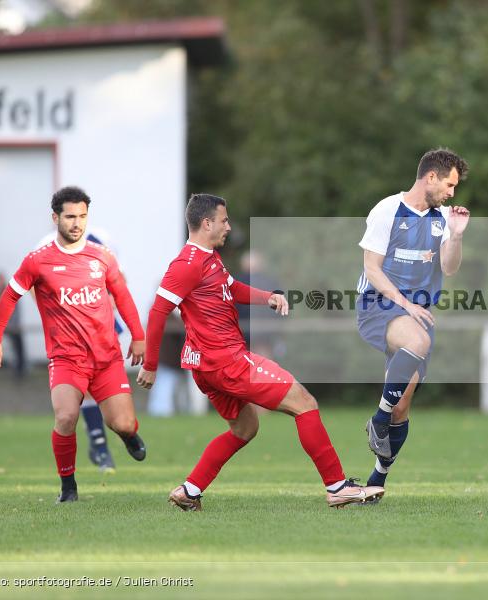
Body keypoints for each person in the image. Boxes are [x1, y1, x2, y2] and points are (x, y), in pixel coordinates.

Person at [137, 194, 384, 510]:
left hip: (208, 366)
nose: (228, 226)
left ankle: (190, 490)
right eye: (224, 220)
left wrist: (267, 296)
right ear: (206, 223)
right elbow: (158, 312)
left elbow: (232, 288)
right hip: (227, 361)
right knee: (304, 403)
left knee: (245, 428)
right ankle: (337, 487)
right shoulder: (187, 265)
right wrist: (151, 363)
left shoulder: (208, 259)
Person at [0, 186, 148, 503]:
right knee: (66, 417)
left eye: (82, 216)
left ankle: (127, 435)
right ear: (55, 217)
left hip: (107, 358)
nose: (77, 223)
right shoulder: (38, 261)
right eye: (70, 216)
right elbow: (10, 295)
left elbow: (122, 296)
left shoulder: (102, 257)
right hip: (66, 359)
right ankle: (68, 487)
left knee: (123, 422)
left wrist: (138, 335)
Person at [358, 148, 470, 496]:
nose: (453, 193)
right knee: (417, 343)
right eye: (449, 184)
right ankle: (377, 420)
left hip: (417, 313)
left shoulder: (442, 218)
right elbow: (371, 268)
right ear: (431, 177)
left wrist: (456, 234)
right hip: (379, 305)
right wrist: (405, 303)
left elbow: (449, 268)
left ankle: (377, 481)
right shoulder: (387, 210)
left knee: (402, 404)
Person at [34, 228, 124, 473]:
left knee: (107, 389)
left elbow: (117, 279)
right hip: (68, 331)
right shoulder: (45, 245)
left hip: (102, 327)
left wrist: (106, 312)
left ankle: (107, 439)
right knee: (80, 389)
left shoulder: (102, 240)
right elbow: (33, 286)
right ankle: (100, 444)